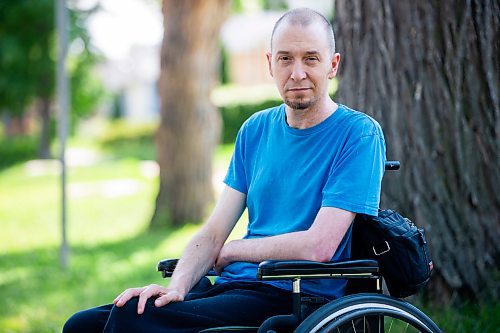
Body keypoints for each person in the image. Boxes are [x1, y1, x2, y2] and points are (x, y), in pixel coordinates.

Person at [63, 7, 386, 333]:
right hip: (232, 286)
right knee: (82, 325)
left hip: (293, 295)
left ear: (332, 65)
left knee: (133, 320)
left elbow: (319, 247)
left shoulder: (358, 134)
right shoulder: (255, 130)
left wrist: (234, 251)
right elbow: (214, 231)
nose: (297, 72)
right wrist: (178, 287)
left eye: (311, 59)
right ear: (270, 64)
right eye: (285, 58)